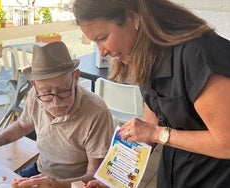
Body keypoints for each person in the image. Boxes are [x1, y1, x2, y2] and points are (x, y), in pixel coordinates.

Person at [73, 0, 230, 187]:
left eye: (103, 37)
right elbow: (149, 125)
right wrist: (115, 179)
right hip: (174, 174)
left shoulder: (198, 54)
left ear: (132, 17)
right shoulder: (146, 55)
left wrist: (157, 134)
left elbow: (226, 143)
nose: (102, 52)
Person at [0, 41, 114, 188]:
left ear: (75, 77)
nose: (55, 101)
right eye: (46, 92)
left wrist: (57, 184)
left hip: (74, 183)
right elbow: (22, 125)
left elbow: (95, 175)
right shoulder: (35, 94)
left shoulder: (97, 112)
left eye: (63, 90)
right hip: (41, 170)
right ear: (35, 84)